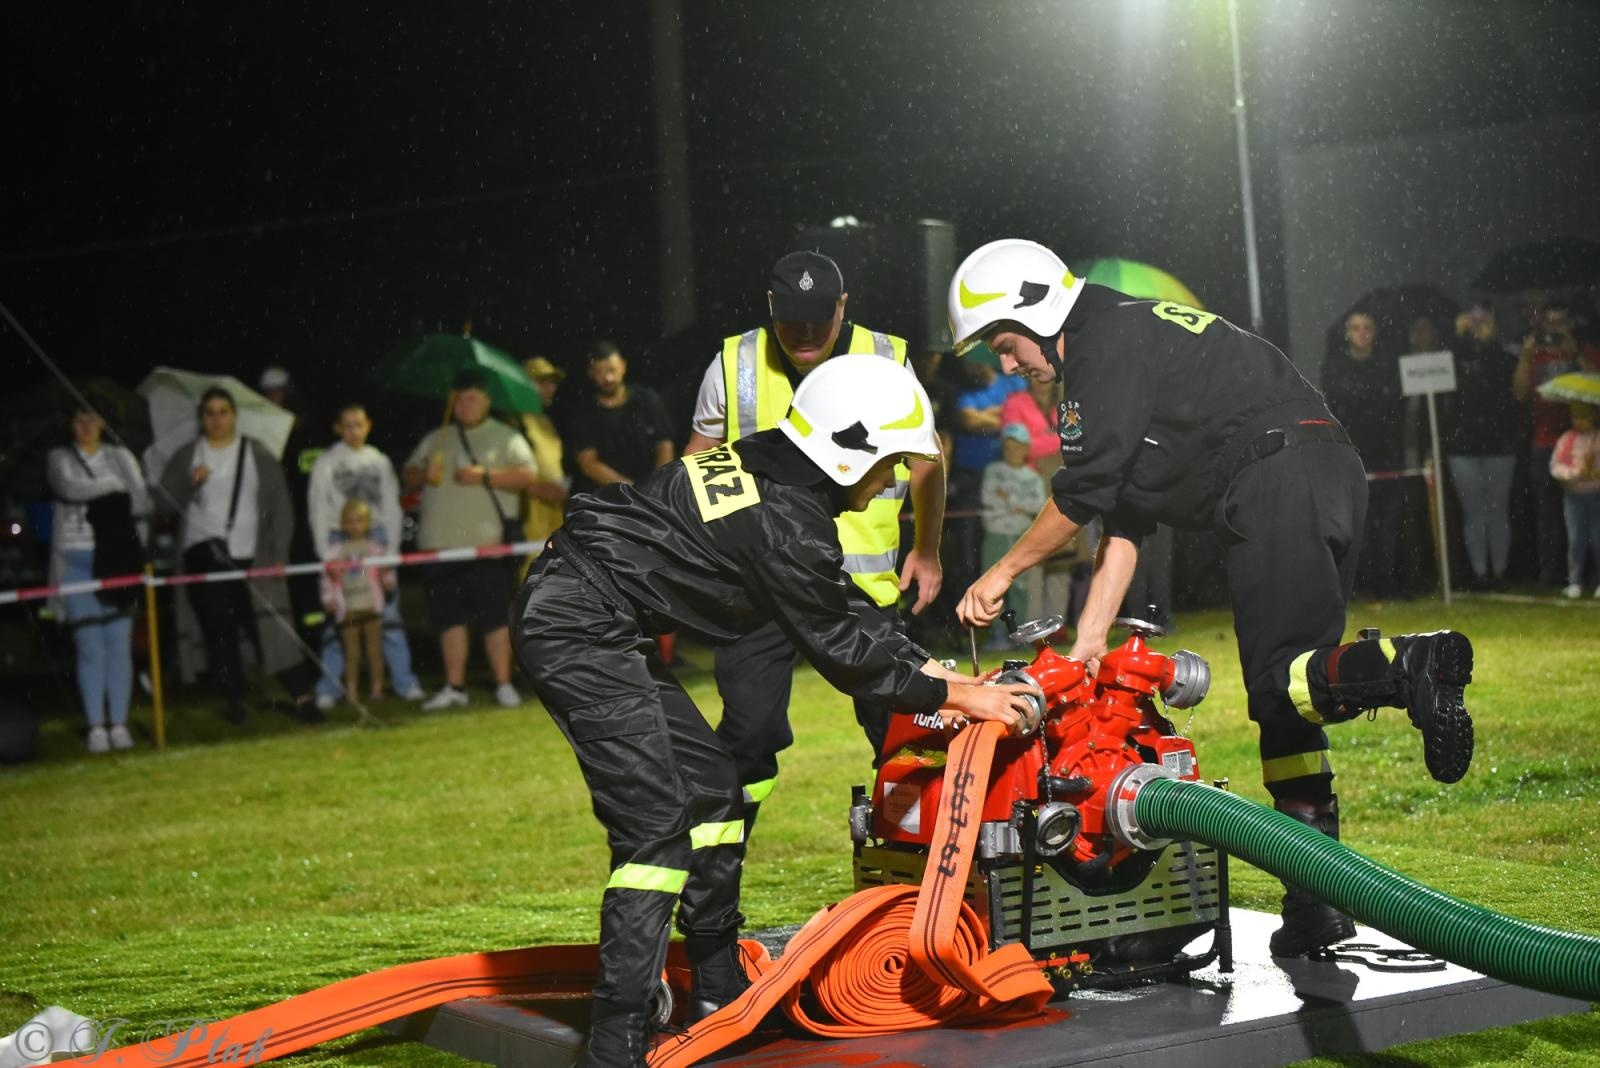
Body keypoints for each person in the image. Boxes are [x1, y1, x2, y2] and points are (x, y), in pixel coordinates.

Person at [948, 238, 1477, 959]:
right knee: (1287, 704)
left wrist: (999, 572)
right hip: (1323, 468)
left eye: (1005, 344)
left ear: (1037, 312)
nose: (1009, 364)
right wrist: (1090, 642)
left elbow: (1079, 496)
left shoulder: (1100, 351)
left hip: (1275, 478)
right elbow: (1124, 522)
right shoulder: (1131, 333)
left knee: (1278, 683)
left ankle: (1408, 666)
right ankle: (1315, 902)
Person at [513, 355, 1038, 1066]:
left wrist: (922, 666)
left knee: (716, 790)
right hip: (577, 628)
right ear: (848, 451)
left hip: (594, 613)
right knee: (655, 832)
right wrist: (964, 693)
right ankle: (617, 1041)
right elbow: (842, 651)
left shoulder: (772, 463)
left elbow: (827, 603)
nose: (892, 484)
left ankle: (717, 981)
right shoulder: (787, 518)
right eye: (889, 465)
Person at [681, 250, 946, 836]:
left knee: (903, 727)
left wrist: (926, 551)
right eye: (791, 317)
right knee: (748, 736)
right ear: (771, 306)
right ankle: (713, 880)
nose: (803, 332)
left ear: (843, 306)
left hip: (862, 586)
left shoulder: (887, 357)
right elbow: (698, 468)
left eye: (818, 318)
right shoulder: (734, 362)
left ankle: (919, 874)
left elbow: (928, 459)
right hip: (759, 590)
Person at [158, 386, 314, 725]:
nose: (217, 419)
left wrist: (280, 554)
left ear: (234, 415)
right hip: (203, 554)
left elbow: (281, 508)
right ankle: (235, 700)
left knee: (270, 627)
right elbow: (163, 503)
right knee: (220, 630)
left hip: (252, 556)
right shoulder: (187, 455)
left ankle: (302, 697)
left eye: (223, 412)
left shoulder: (257, 452)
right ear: (201, 418)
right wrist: (188, 484)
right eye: (209, 413)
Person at [401, 368, 540, 710]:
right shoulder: (438, 437)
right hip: (439, 544)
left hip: (488, 544)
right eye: (459, 399)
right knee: (448, 618)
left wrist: (486, 475)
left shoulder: (506, 437)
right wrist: (422, 474)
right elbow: (406, 473)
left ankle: (503, 684)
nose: (464, 405)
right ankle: (454, 686)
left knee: (494, 617)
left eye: (472, 399)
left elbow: (528, 475)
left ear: (486, 401)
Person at [306, 403, 425, 708]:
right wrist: (325, 555)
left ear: (368, 425)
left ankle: (403, 681)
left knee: (388, 615)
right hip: (339, 541)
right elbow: (318, 508)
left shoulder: (380, 461)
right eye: (347, 425)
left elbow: (391, 507)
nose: (354, 430)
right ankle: (330, 688)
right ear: (338, 428)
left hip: (377, 540)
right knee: (339, 619)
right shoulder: (327, 463)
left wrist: (392, 552)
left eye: (359, 424)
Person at [47, 405, 150, 753]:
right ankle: (95, 726)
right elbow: (69, 488)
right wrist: (112, 486)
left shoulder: (121, 456)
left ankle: (119, 723)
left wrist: (120, 487)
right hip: (74, 564)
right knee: (89, 647)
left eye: (93, 418)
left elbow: (140, 498)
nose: (86, 425)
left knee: (118, 646)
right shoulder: (58, 458)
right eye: (79, 418)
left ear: (104, 423)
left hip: (116, 562)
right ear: (70, 424)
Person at [1321, 310, 1407, 599]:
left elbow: (1393, 402)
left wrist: (1368, 398)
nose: (1362, 333)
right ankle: (1363, 584)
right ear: (1347, 333)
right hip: (1352, 455)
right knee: (1359, 524)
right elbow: (1341, 399)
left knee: (1389, 522)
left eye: (1367, 327)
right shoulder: (1335, 366)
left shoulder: (1387, 365)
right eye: (1356, 328)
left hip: (1387, 454)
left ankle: (1387, 582)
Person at [1513, 303, 1600, 588]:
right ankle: (1551, 574)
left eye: (1561, 323)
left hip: (1587, 442)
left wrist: (1573, 353)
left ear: (1571, 323)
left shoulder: (1583, 351)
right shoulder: (1535, 354)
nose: (1555, 329)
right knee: (1548, 513)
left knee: (1590, 515)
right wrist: (1525, 358)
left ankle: (1588, 575)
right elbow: (1519, 392)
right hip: (1546, 441)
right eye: (1550, 324)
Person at [1440, 307, 1520, 590]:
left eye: (1484, 322)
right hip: (1463, 446)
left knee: (1497, 510)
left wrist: (1490, 341)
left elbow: (1507, 381)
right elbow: (1443, 372)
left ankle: (1498, 574)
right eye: (1473, 322)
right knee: (1473, 512)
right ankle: (1478, 574)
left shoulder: (1503, 356)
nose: (1477, 327)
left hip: (1499, 444)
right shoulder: (1456, 355)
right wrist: (1458, 336)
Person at [567, 341, 675, 496]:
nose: (608, 377)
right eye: (600, 372)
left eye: (612, 369)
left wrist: (657, 485)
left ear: (623, 366)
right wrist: (634, 492)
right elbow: (588, 463)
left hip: (655, 493)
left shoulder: (648, 399)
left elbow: (664, 444)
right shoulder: (583, 412)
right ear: (590, 373)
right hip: (607, 500)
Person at [979, 423, 1047, 648]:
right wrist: (1019, 505)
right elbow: (989, 497)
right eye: (1008, 447)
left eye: (1017, 447)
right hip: (997, 533)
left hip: (1022, 535)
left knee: (1020, 586)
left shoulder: (1033, 477)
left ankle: (1020, 633)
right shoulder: (993, 470)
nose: (1013, 451)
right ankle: (998, 634)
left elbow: (1037, 504)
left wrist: (1008, 499)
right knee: (993, 585)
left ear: (1026, 449)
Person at [319, 499, 393, 701]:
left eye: (359, 520)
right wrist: (328, 598)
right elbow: (327, 579)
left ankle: (377, 690)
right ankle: (351, 692)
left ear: (367, 523)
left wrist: (388, 580)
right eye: (349, 521)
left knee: (374, 651)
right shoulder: (335, 552)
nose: (354, 525)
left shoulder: (376, 549)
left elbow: (387, 577)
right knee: (351, 652)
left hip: (371, 607)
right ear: (343, 524)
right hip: (348, 609)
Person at [1550, 401, 1600, 598]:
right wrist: (1576, 474)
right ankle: (1575, 582)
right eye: (1576, 417)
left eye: (1584, 417)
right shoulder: (1567, 439)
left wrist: (1595, 473)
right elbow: (1557, 467)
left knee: (1598, 540)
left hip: (1596, 496)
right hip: (1574, 498)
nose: (1580, 422)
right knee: (1576, 539)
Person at [520, 356, 569, 550]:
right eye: (542, 382)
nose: (551, 388)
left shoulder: (545, 421)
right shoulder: (513, 421)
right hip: (528, 515)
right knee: (530, 571)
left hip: (554, 513)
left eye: (552, 382)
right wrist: (539, 489)